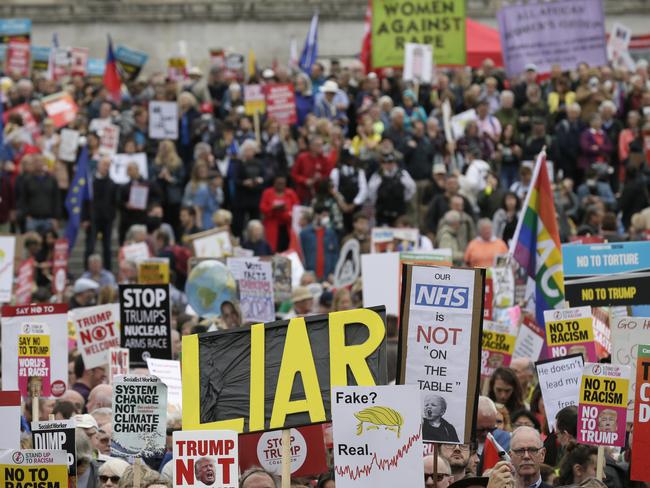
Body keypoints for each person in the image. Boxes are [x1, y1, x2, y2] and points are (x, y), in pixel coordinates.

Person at [83, 155, 118, 270]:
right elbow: (85, 201)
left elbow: (114, 202)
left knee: (107, 248)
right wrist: (85, 219)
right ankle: (87, 271)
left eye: (108, 165)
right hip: (92, 219)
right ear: (98, 165)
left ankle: (108, 271)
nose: (106, 167)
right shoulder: (90, 182)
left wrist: (111, 217)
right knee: (90, 247)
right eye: (104, 164)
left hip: (107, 220)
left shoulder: (112, 183)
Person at [367, 149, 416, 226]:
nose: (388, 165)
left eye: (390, 162)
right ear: (382, 164)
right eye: (385, 163)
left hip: (399, 211)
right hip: (382, 212)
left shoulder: (402, 173)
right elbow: (371, 192)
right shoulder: (377, 175)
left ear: (394, 163)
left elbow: (411, 188)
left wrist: (404, 198)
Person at [259, 175, 299, 252]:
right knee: (272, 249)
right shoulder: (267, 192)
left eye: (283, 183)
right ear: (274, 183)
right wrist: (273, 208)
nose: (281, 185)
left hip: (287, 226)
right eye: (278, 183)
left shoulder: (291, 193)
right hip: (272, 225)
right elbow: (262, 208)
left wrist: (285, 211)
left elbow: (296, 209)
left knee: (288, 249)